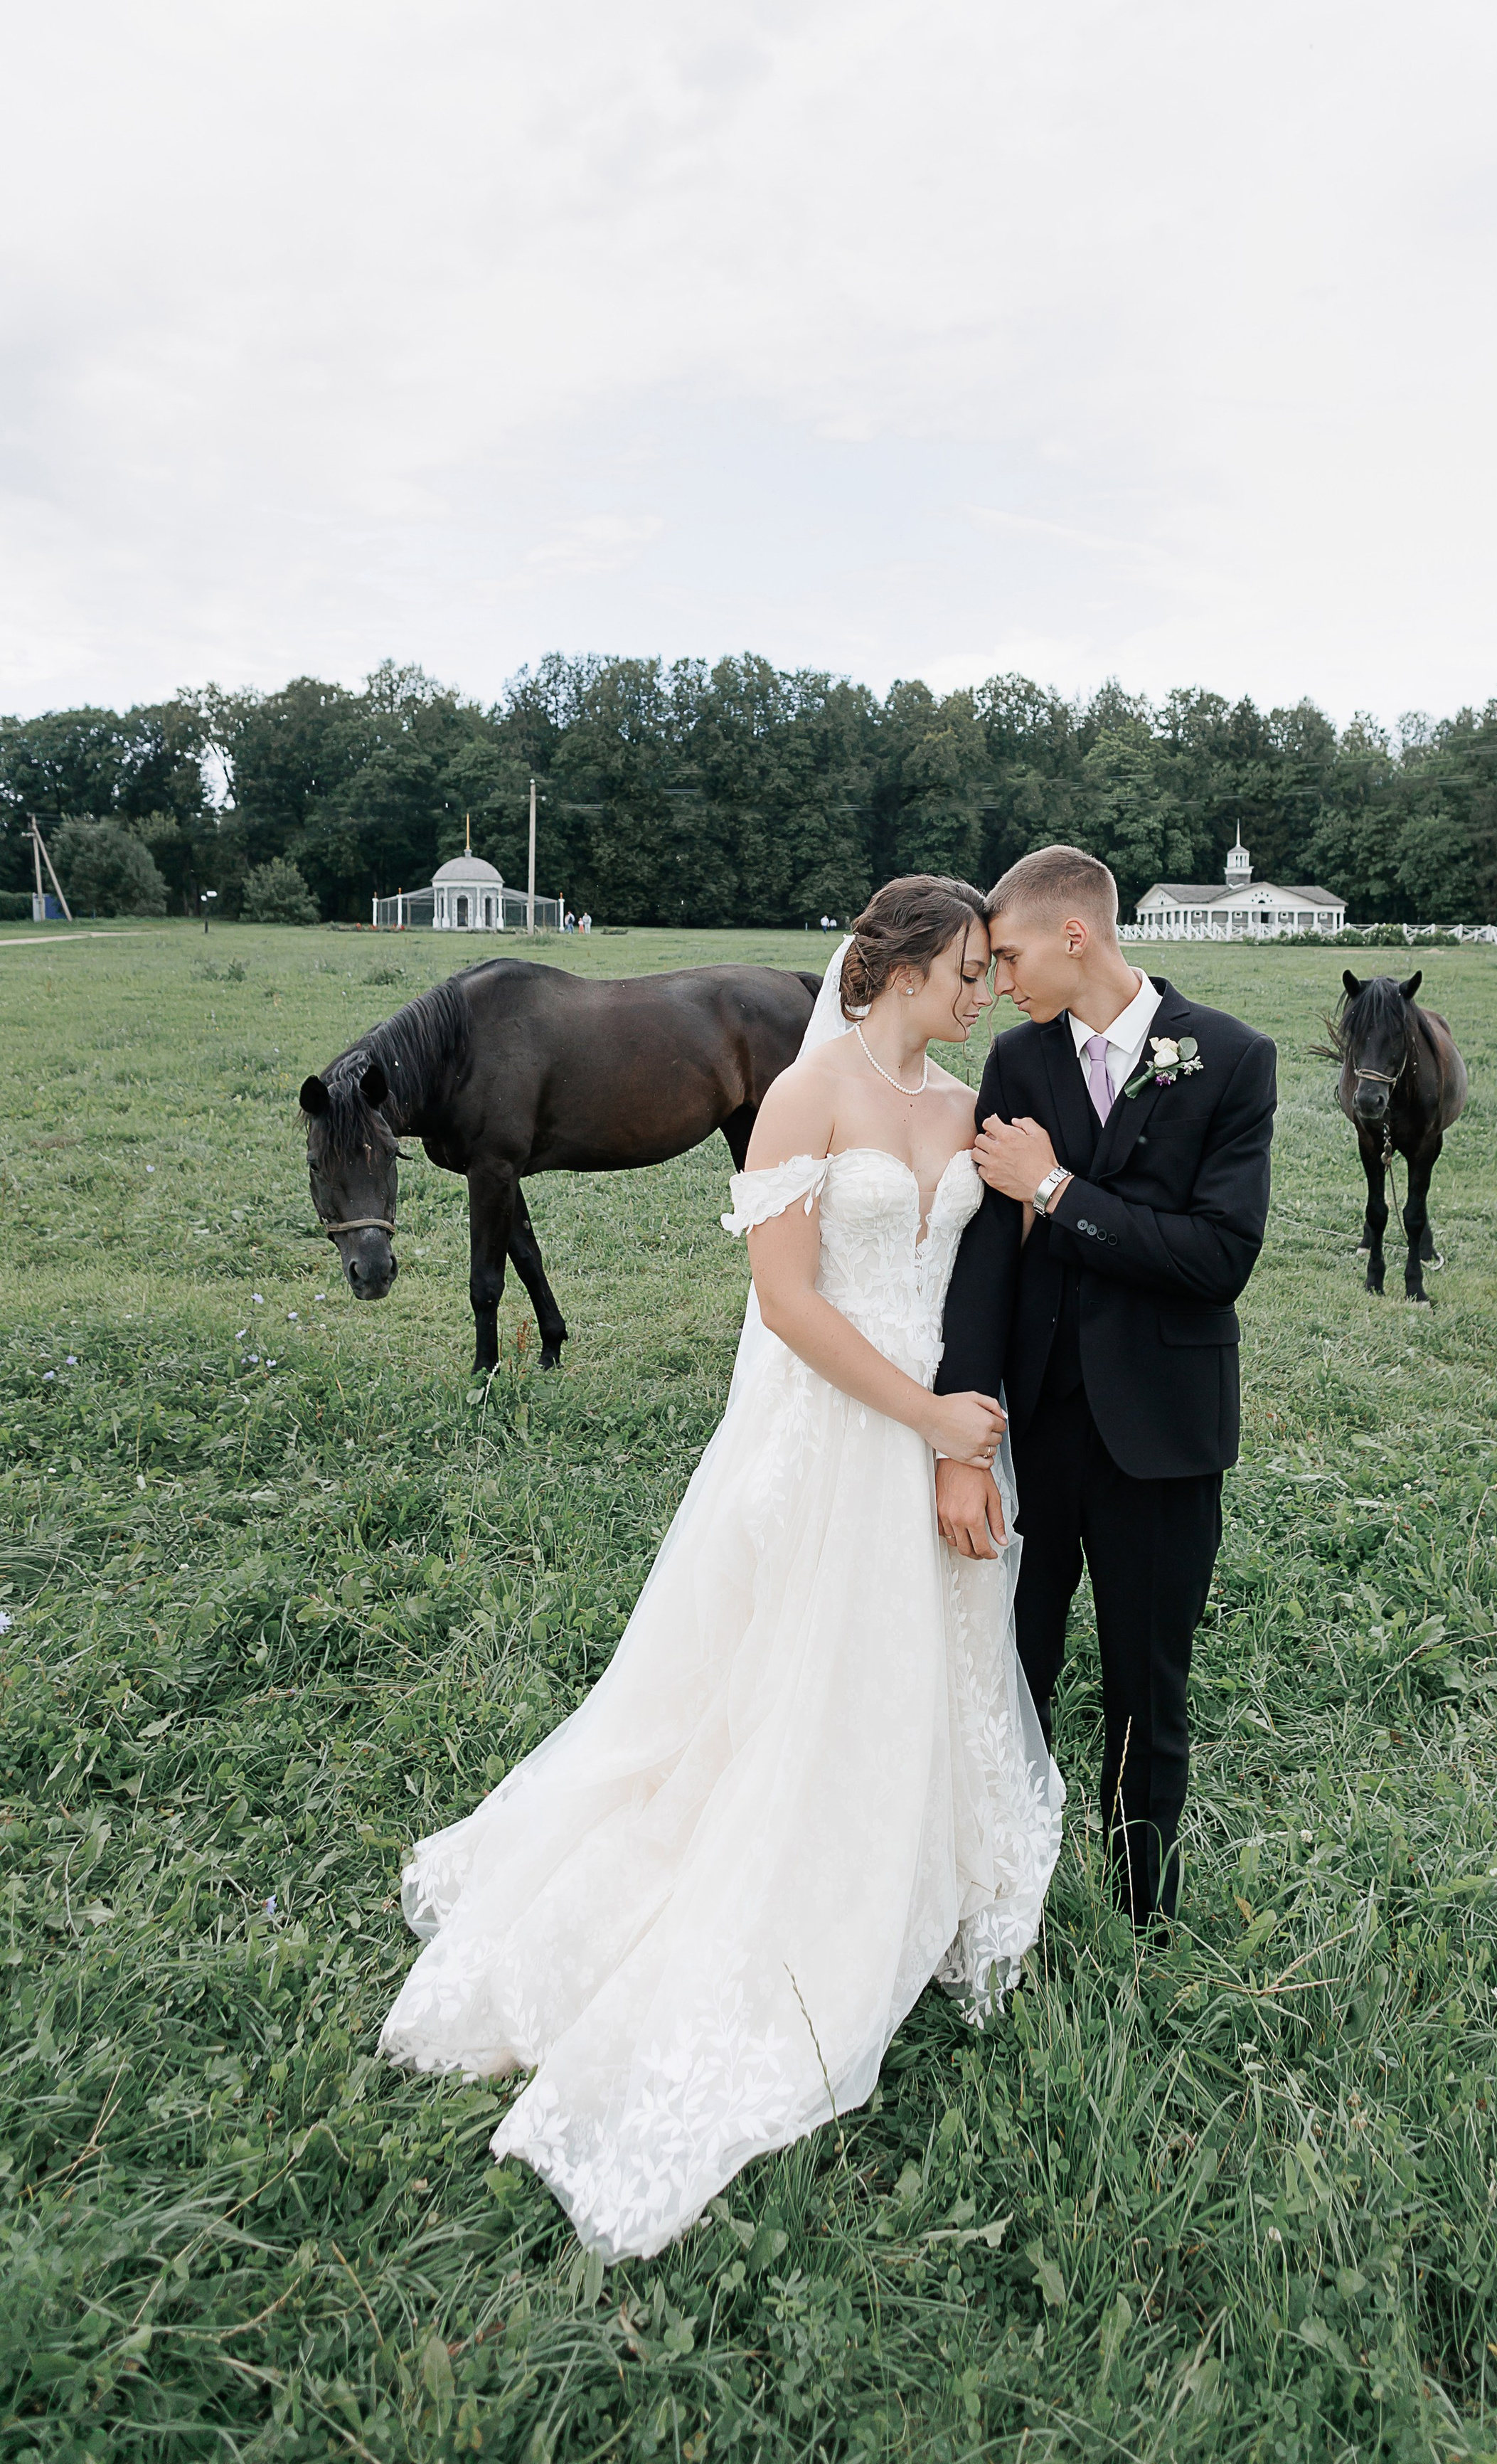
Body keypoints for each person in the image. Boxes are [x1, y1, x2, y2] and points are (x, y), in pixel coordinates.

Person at [380, 876, 1062, 2261]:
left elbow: (988, 1278)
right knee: (795, 1666)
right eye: (968, 970)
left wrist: (1026, 1245)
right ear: (905, 968)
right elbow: (789, 1302)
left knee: (920, 1660)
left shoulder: (966, 1107)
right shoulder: (806, 1095)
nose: (986, 991)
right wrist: (925, 1417)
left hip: (946, 1435)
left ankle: (916, 1863)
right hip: (840, 1424)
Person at [934, 846, 1275, 1928]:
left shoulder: (1231, 1058)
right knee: (1012, 1675)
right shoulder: (1018, 1063)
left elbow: (1218, 1258)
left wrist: (1057, 1189)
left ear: (1074, 936)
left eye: (1009, 957)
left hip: (1164, 1437)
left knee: (1147, 1688)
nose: (998, 983)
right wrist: (964, 1434)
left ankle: (1144, 1917)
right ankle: (1007, 1905)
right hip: (1034, 1429)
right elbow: (987, 1259)